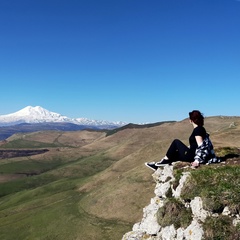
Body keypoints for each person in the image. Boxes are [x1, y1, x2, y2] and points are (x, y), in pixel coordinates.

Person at [145, 110, 217, 171]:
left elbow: (202, 146)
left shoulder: (198, 130)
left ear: (191, 120)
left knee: (176, 142)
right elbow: (200, 145)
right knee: (174, 154)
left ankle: (164, 160)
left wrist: (197, 161)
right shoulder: (200, 129)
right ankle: (157, 166)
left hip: (192, 156)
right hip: (192, 154)